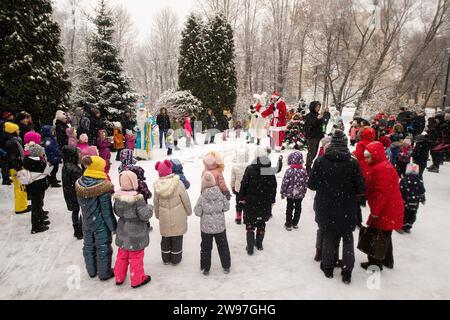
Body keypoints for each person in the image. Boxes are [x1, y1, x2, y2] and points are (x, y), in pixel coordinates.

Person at [308, 130, 365, 284]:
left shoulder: (321, 161)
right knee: (347, 237)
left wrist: (325, 185)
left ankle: (327, 267)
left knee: (328, 235)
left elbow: (311, 184)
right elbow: (361, 188)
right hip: (347, 206)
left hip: (325, 205)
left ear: (331, 144)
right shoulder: (353, 162)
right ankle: (347, 271)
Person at [362, 142, 404, 271]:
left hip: (385, 209)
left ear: (375, 156)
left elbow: (382, 194)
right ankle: (387, 260)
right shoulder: (383, 166)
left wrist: (375, 211)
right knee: (385, 235)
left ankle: (375, 264)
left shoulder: (381, 169)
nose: (366, 160)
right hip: (390, 208)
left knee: (377, 236)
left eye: (368, 157)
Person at [75, 155, 117, 281]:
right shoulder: (103, 186)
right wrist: (114, 227)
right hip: (100, 224)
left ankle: (92, 270)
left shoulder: (80, 183)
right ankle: (104, 273)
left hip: (86, 221)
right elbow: (106, 211)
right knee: (103, 246)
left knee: (88, 245)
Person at [113, 170, 153, 288]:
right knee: (136, 256)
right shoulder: (137, 199)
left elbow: (117, 211)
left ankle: (119, 276)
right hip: (136, 232)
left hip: (123, 230)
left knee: (122, 254)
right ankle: (137, 279)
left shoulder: (118, 197)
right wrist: (149, 207)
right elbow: (144, 215)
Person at [238, 147, 278, 255]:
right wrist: (272, 200)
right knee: (261, 223)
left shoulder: (250, 169)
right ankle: (259, 244)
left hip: (251, 202)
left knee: (250, 224)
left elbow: (244, 184)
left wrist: (241, 196)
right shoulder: (270, 171)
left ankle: (250, 246)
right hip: (264, 203)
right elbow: (274, 187)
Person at [153, 160, 192, 265]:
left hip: (164, 218)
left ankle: (165, 258)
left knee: (165, 238)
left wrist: (157, 214)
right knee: (177, 238)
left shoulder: (157, 186)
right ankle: (176, 259)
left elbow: (155, 203)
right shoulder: (178, 183)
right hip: (178, 216)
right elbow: (185, 198)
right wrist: (189, 211)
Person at [194, 171, 231, 276]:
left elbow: (197, 212)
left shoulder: (202, 197)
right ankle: (226, 266)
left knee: (206, 247)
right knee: (223, 245)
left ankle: (205, 268)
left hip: (206, 228)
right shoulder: (220, 194)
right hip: (220, 227)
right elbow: (227, 207)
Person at [22, 143, 52, 234]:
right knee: (36, 206)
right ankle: (36, 226)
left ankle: (40, 220)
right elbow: (43, 170)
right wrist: (47, 167)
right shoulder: (36, 162)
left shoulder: (28, 160)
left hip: (35, 186)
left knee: (38, 204)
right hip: (36, 187)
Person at [3, 122, 30, 214]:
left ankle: (23, 204)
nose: (19, 131)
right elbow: (13, 158)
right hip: (16, 168)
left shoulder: (14, 140)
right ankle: (20, 208)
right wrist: (19, 168)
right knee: (19, 188)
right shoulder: (12, 143)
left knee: (22, 187)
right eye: (17, 129)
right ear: (13, 131)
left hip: (17, 166)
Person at [280, 151, 308, 231]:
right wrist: (304, 191)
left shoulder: (289, 171)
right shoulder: (303, 171)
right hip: (299, 194)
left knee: (289, 207)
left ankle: (288, 223)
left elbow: (285, 182)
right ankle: (295, 223)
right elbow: (305, 183)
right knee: (298, 208)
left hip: (290, 194)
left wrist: (282, 192)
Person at [62, 145, 83, 240]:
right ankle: (79, 230)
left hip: (70, 193)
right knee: (78, 211)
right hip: (75, 194)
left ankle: (77, 229)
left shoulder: (67, 165)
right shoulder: (73, 169)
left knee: (75, 211)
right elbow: (81, 180)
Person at [399, 164, 426, 234]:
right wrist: (423, 199)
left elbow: (400, 190)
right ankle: (408, 226)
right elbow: (422, 191)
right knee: (412, 214)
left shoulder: (404, 180)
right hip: (415, 202)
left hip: (405, 201)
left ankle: (401, 226)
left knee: (404, 214)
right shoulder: (419, 181)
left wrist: (399, 198)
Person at [304, 101, 324, 173]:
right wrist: (317, 119)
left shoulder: (317, 115)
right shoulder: (309, 116)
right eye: (317, 107)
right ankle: (308, 168)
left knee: (315, 153)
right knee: (311, 152)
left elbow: (320, 127)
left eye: (319, 107)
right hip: (311, 137)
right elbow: (309, 127)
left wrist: (322, 135)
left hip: (317, 137)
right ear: (313, 107)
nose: (318, 108)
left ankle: (309, 164)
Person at [230, 148, 249, 224]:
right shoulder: (249, 167)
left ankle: (238, 218)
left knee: (238, 203)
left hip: (238, 188)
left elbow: (233, 179)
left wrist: (232, 187)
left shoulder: (234, 167)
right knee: (246, 203)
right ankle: (245, 217)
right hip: (247, 189)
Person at [0, 112, 15, 185]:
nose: (13, 116)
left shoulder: (7, 122)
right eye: (11, 115)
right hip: (4, 145)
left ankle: (6, 177)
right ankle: (5, 179)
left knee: (7, 162)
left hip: (6, 144)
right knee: (4, 163)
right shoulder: (4, 123)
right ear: (8, 116)